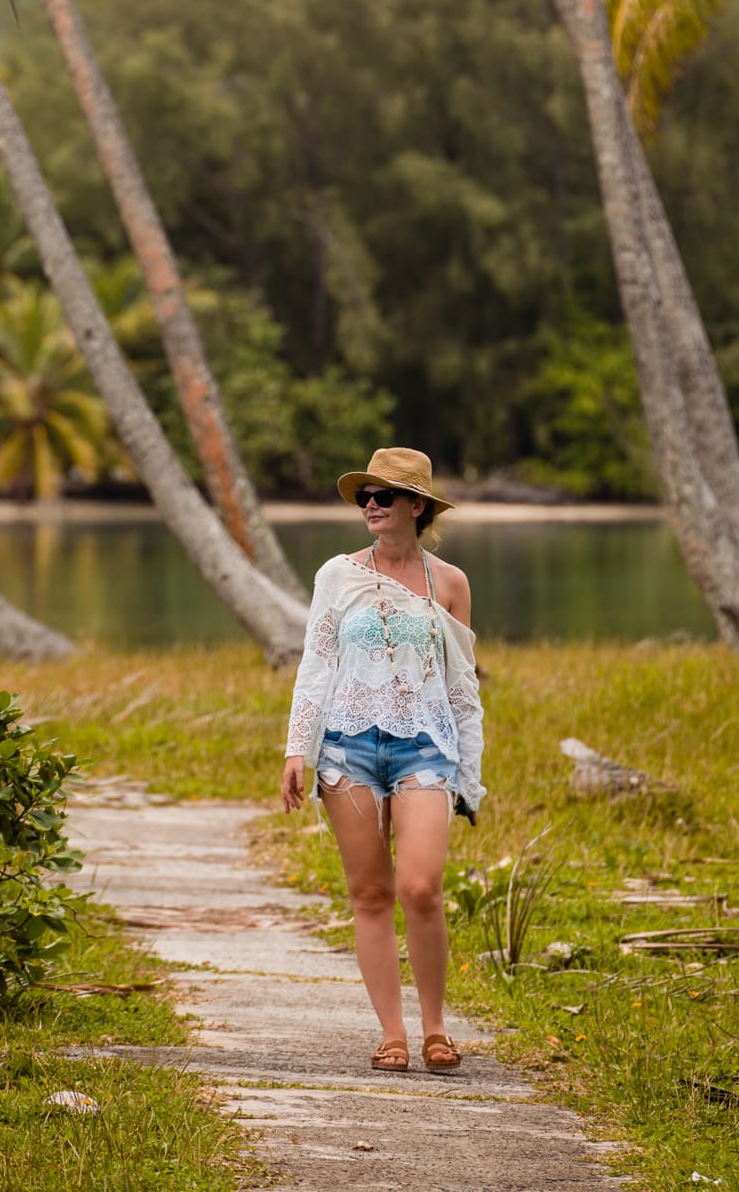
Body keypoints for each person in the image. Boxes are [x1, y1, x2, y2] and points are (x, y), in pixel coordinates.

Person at [280, 447, 483, 1075]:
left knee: (420, 886)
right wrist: (298, 746)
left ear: (416, 507)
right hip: (348, 748)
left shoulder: (449, 583)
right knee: (370, 893)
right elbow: (317, 666)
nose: (370, 505)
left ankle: (435, 1027)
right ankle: (392, 1034)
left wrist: (469, 775)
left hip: (426, 746)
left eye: (384, 496)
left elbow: (462, 687)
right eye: (365, 496)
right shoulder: (335, 575)